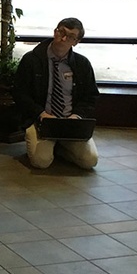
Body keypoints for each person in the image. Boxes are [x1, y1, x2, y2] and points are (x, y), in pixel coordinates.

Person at [12, 17, 99, 169]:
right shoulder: (32, 60)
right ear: (55, 32)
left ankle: (60, 147)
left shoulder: (82, 64)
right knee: (41, 161)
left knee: (89, 161)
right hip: (41, 120)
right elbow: (20, 93)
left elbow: (91, 96)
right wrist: (40, 113)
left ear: (76, 42)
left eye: (70, 36)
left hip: (71, 122)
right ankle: (52, 146)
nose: (63, 38)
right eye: (61, 32)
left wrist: (76, 116)